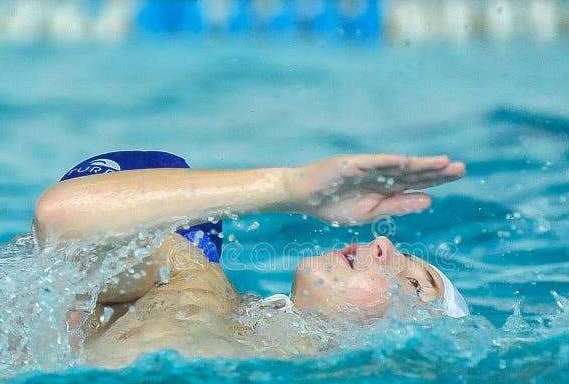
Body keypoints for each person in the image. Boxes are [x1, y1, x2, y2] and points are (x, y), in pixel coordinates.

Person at [34, 150, 468, 368]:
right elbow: (60, 218)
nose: (384, 245)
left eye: (415, 284)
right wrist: (289, 191)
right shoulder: (189, 283)